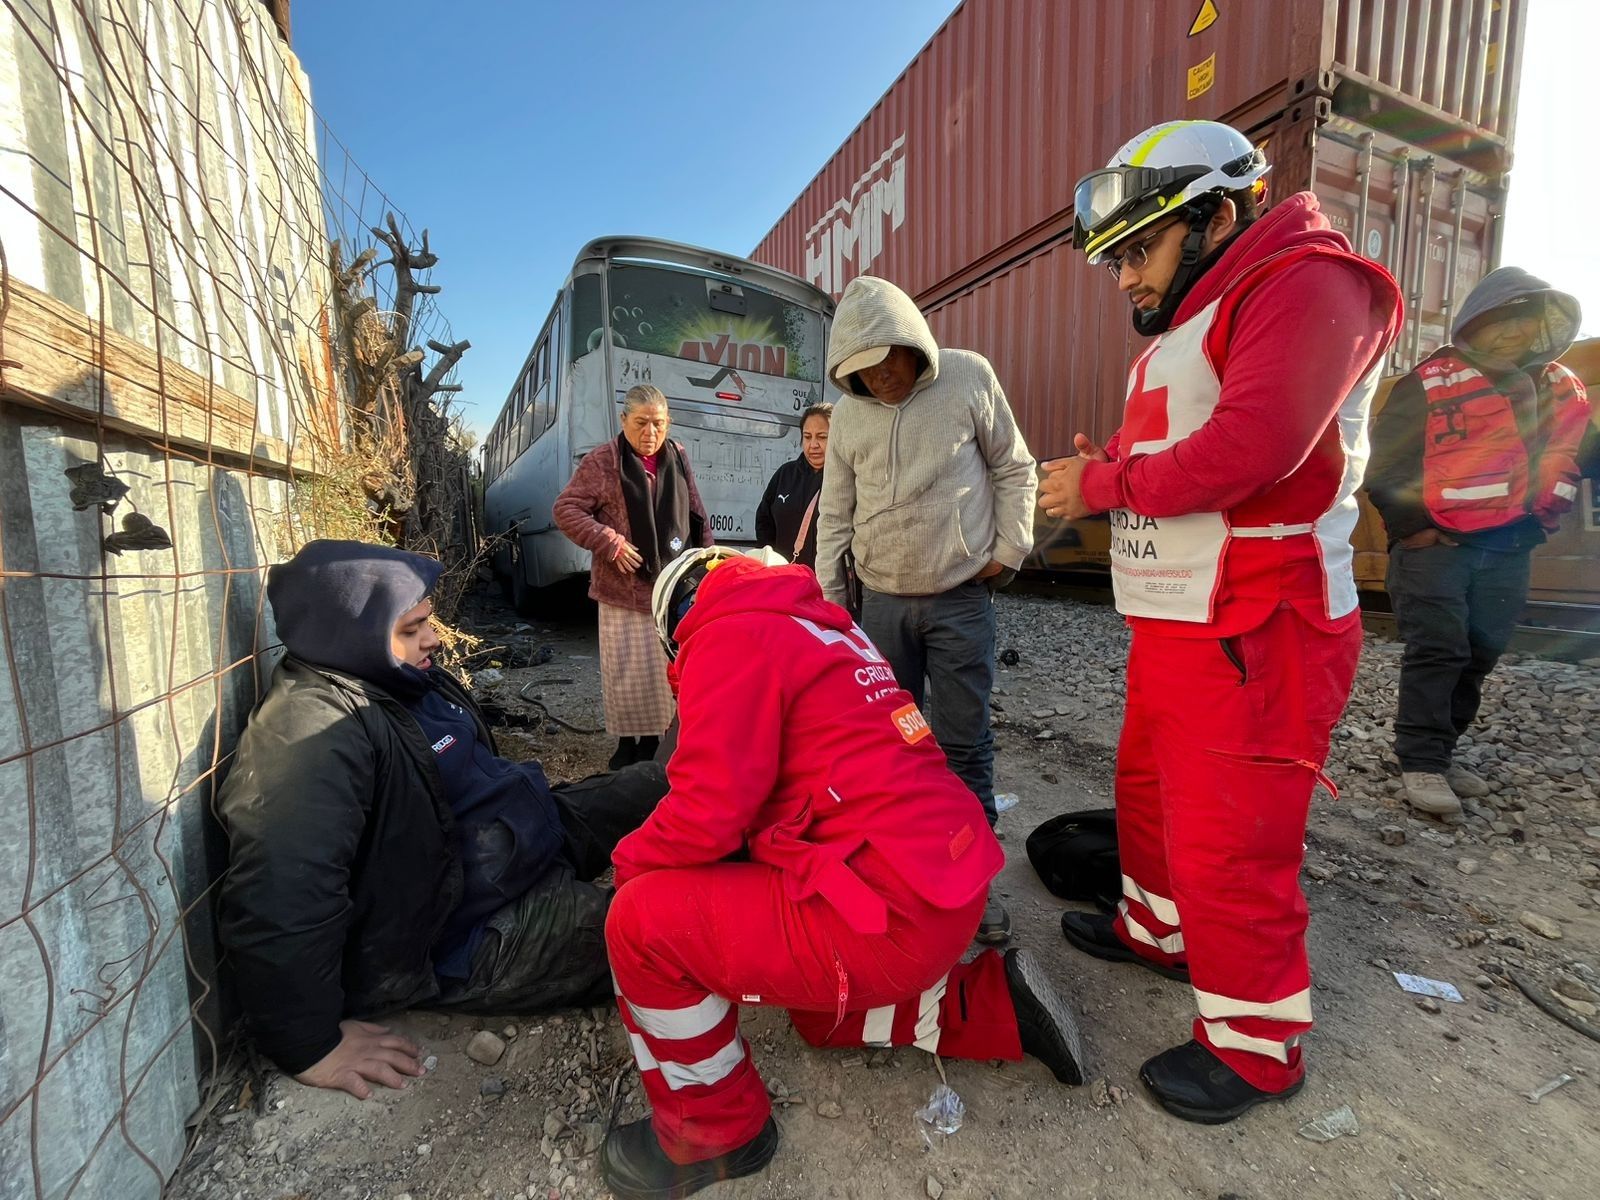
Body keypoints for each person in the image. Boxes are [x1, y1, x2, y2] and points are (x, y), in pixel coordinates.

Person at [1039, 120, 1402, 1123]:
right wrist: (1112, 466)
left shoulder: (1306, 282)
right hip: (1185, 619)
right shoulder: (1210, 307)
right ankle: (1161, 934)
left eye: (1138, 249)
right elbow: (1187, 437)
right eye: (1114, 259)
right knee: (1153, 797)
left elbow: (1253, 447)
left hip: (1258, 620)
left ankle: (1256, 1047)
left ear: (1218, 214)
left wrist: (1103, 483)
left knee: (1232, 839)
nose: (1124, 278)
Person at [597, 546, 1086, 1200]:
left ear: (675, 629)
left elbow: (706, 812)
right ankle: (992, 1003)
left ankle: (715, 1130)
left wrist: (625, 868)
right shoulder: (821, 625)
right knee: (814, 1010)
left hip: (892, 912)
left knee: (639, 924)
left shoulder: (722, 632)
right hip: (944, 887)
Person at [216, 540, 667, 1099]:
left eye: (427, 622)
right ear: (351, 632)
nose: (432, 639)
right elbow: (281, 891)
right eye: (412, 628)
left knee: (663, 785)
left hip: (520, 841)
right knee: (669, 935)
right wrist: (307, 1043)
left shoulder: (395, 675)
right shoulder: (310, 733)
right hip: (470, 929)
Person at [814, 275, 1037, 944]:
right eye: (862, 371)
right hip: (881, 608)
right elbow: (835, 515)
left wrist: (1009, 549)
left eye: (886, 361)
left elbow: (1014, 466)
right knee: (893, 748)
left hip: (959, 602)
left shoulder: (968, 378)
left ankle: (973, 886)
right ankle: (907, 873)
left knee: (964, 744)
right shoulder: (848, 416)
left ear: (910, 343)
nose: (878, 379)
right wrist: (833, 612)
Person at [1366, 268, 1589, 817]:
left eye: (1526, 321)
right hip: (1436, 548)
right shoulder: (1429, 382)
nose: (1514, 331)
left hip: (1508, 548)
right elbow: (1386, 464)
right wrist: (1415, 530)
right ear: (1476, 321)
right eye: (1502, 319)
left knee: (1481, 652)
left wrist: (1534, 527)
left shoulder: (1553, 387)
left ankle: (1441, 753)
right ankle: (1420, 761)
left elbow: (1572, 453)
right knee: (1439, 649)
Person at [554, 384, 711, 769]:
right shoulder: (602, 461)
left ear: (669, 422)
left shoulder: (678, 456)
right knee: (624, 672)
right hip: (622, 590)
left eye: (658, 423)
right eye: (641, 423)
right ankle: (626, 744)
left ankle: (655, 743)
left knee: (662, 674)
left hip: (670, 588)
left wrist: (709, 563)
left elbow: (696, 513)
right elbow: (566, 509)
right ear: (623, 420)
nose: (650, 433)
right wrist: (609, 542)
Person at [754, 402, 832, 568]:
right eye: (807, 437)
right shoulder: (785, 474)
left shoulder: (845, 480)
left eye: (822, 437)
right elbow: (764, 520)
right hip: (783, 576)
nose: (813, 445)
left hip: (825, 580)